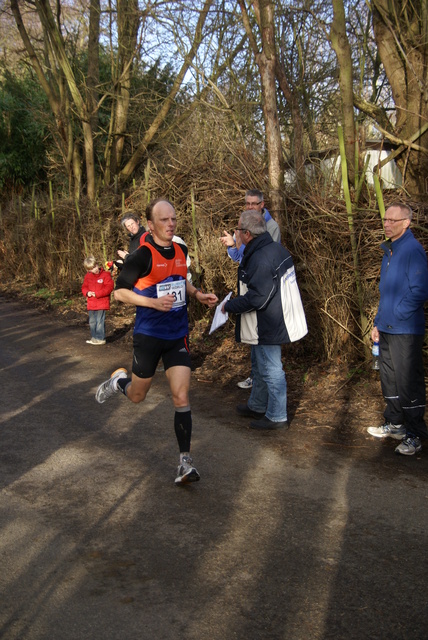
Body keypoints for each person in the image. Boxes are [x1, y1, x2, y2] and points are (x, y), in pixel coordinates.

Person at [95, 198, 218, 484]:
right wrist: (151, 303)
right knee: (138, 396)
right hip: (149, 334)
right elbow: (120, 293)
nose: (170, 224)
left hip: (177, 334)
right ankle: (118, 382)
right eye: (163, 220)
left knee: (182, 396)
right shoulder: (141, 255)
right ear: (150, 225)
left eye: (173, 219)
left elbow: (180, 280)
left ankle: (185, 463)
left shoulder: (181, 249)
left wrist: (197, 294)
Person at [222, 210, 307, 430]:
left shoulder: (261, 257)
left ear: (247, 234)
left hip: (270, 320)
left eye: (238, 230)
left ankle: (277, 415)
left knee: (271, 368)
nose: (235, 233)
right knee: (260, 365)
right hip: (269, 318)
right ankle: (258, 405)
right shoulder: (271, 248)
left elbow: (258, 298)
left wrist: (229, 306)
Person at [367, 203, 428, 455]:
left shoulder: (413, 250)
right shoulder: (389, 251)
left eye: (393, 220)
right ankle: (395, 423)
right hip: (388, 328)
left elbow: (419, 292)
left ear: (407, 223)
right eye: (385, 219)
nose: (387, 224)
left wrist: (396, 316)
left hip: (405, 329)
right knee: (389, 378)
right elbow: (386, 294)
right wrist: (378, 323)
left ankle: (415, 434)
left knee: (407, 382)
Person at [220, 189, 281, 390]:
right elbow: (241, 257)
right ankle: (256, 383)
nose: (250, 207)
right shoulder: (244, 225)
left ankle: (272, 406)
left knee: (268, 354)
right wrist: (232, 245)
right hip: (249, 288)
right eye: (247, 204)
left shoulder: (270, 227)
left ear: (262, 205)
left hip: (262, 292)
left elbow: (266, 261)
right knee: (253, 340)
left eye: (254, 204)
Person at [81, 256, 114, 345]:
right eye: (92, 268)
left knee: (99, 321)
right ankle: (94, 337)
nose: (95, 269)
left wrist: (98, 294)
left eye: (95, 266)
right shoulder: (87, 276)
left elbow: (109, 287)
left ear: (97, 264)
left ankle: (101, 338)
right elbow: (84, 287)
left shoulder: (105, 275)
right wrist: (87, 293)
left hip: (101, 302)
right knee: (92, 321)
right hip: (91, 302)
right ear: (88, 270)